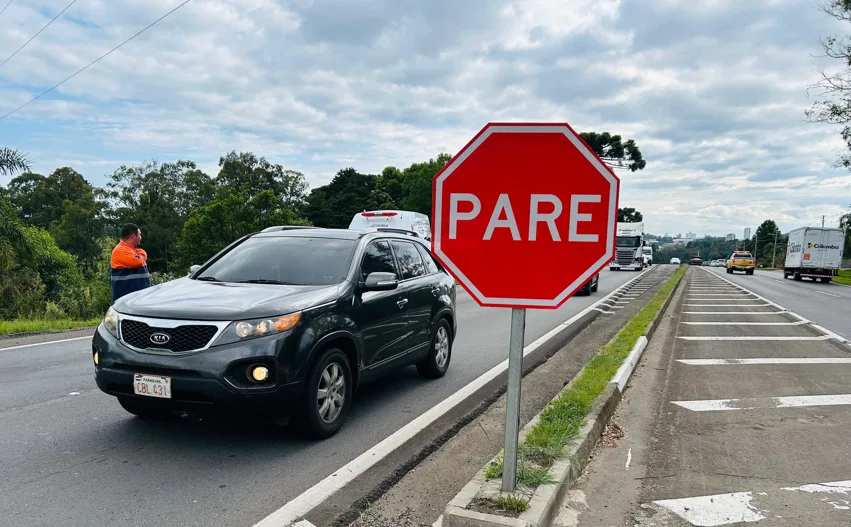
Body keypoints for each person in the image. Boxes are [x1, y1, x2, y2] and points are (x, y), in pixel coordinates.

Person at [110, 223, 151, 302]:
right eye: (139, 235)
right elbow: (138, 262)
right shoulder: (120, 250)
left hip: (136, 298)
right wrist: (142, 254)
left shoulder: (131, 250)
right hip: (125, 300)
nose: (140, 237)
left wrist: (141, 254)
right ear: (133, 236)